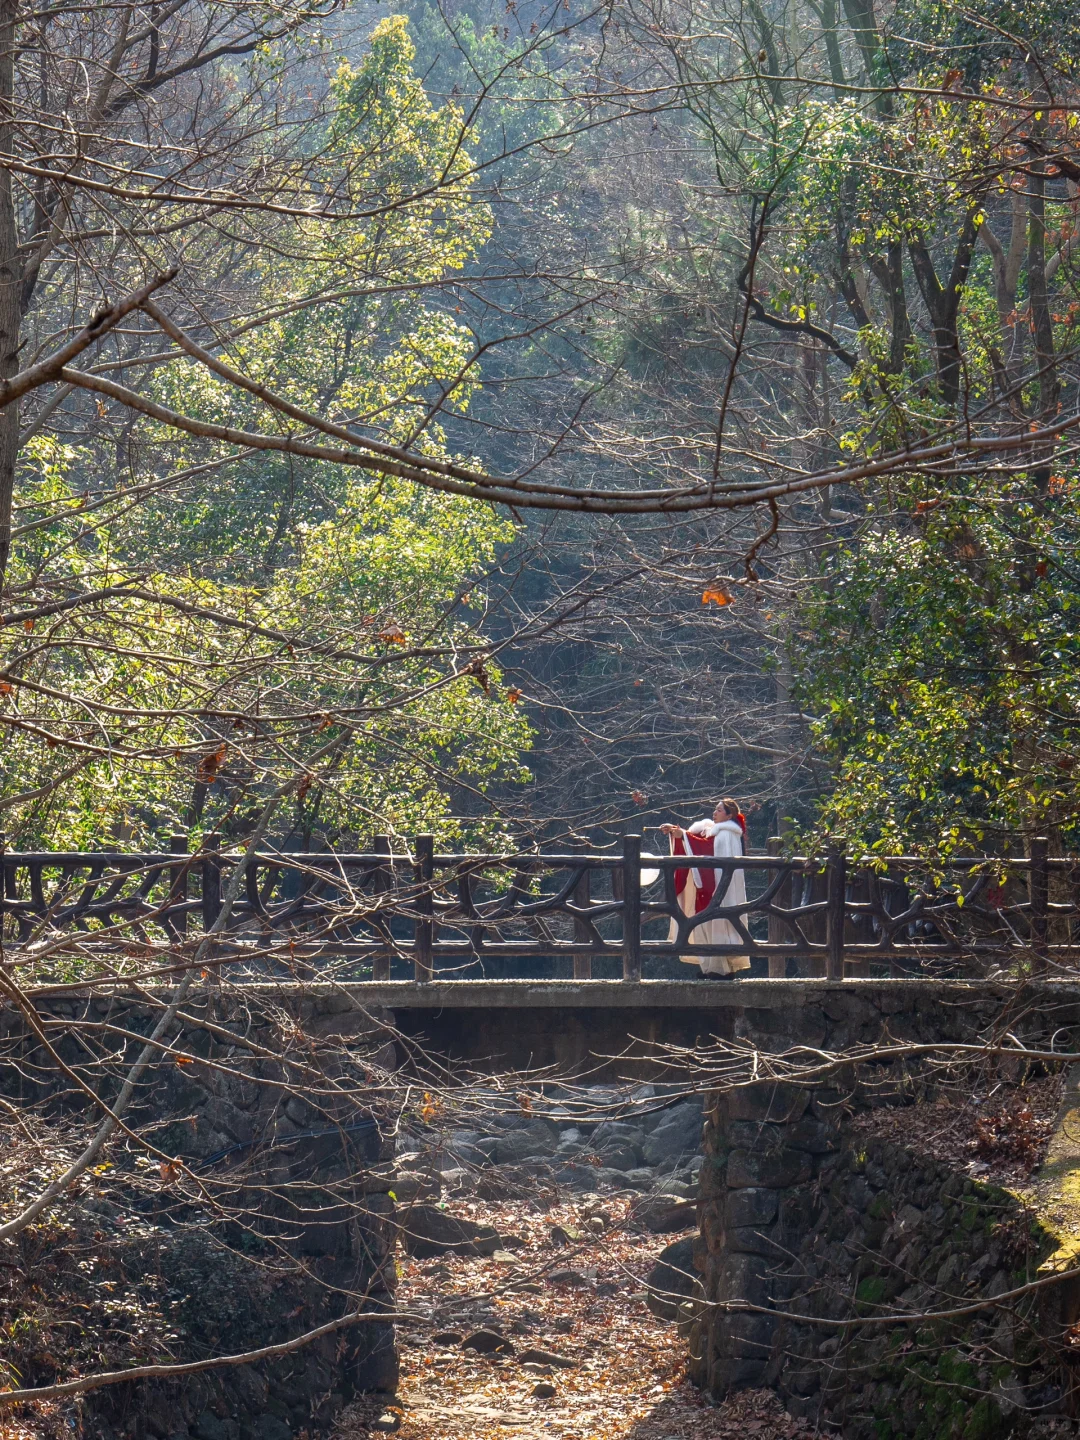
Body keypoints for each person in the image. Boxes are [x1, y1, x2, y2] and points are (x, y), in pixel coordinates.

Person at [660, 798, 751, 978]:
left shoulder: (727, 834)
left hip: (718, 890)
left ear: (729, 815)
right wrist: (677, 833)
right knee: (703, 925)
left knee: (718, 925)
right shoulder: (716, 832)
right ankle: (709, 968)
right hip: (709, 889)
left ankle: (722, 969)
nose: (714, 813)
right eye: (715, 809)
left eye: (719, 810)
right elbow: (700, 840)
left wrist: (684, 837)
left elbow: (706, 847)